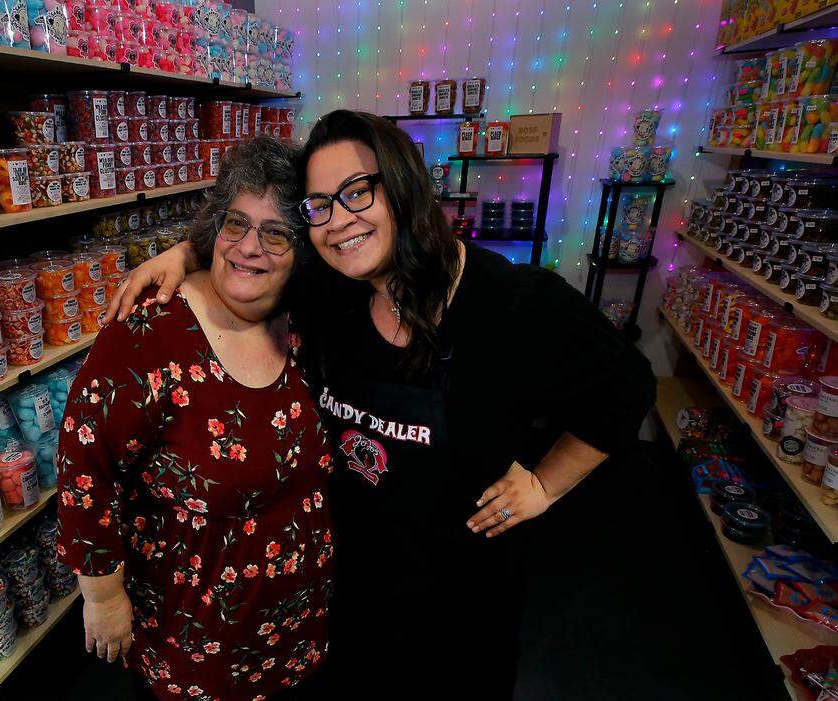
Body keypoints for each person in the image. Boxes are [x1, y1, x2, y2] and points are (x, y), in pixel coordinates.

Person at [107, 110, 657, 697]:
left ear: (401, 185)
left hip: (458, 613)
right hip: (348, 598)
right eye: (320, 205)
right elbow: (253, 250)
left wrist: (547, 485)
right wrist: (185, 254)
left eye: (357, 192)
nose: (338, 221)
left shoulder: (512, 303)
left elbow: (626, 384)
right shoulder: (332, 291)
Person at [57, 136, 334, 701]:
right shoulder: (147, 335)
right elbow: (84, 470)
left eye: (277, 232)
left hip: (296, 632)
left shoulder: (306, 318)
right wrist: (103, 598)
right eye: (235, 224)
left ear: (305, 250)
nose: (250, 247)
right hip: (196, 648)